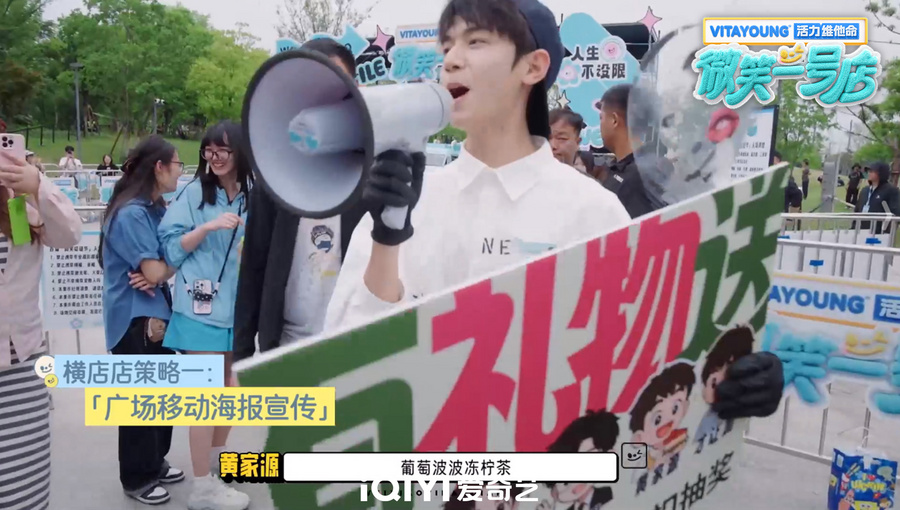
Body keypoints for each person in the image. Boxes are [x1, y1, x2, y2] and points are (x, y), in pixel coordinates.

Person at [325, 0, 784, 425]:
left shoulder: (593, 213)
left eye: (475, 41)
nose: (451, 60)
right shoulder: (408, 201)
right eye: (446, 47)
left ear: (534, 66)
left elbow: (648, 353)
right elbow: (344, 361)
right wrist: (387, 240)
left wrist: (735, 381)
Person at [234, 38, 368, 361]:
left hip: (355, 348)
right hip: (286, 349)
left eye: (336, 88)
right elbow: (253, 268)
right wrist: (240, 357)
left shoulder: (377, 177)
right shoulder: (275, 176)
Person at [157, 120, 252, 510]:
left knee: (231, 393)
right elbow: (169, 246)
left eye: (222, 150)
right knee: (206, 399)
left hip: (237, 312)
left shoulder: (253, 195)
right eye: (208, 150)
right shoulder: (193, 193)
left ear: (240, 152)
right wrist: (207, 227)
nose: (214, 157)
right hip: (199, 311)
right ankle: (201, 488)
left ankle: (213, 467)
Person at [99, 135, 185, 505]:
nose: (180, 171)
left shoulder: (155, 208)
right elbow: (153, 269)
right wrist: (164, 267)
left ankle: (154, 461)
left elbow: (162, 264)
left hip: (155, 312)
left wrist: (163, 268)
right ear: (159, 167)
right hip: (134, 318)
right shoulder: (132, 213)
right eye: (177, 163)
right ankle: (136, 477)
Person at [0, 150, 81, 510]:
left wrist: (37, 186)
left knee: (23, 491)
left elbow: (69, 234)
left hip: (21, 368)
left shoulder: (17, 202)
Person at [596, 83, 663, 218]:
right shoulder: (623, 169)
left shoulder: (639, 177)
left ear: (614, 120)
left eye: (601, 118)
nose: (600, 126)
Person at [854, 161, 900, 233]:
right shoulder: (865, 190)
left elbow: (896, 213)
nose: (869, 173)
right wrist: (853, 227)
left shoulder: (891, 190)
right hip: (861, 231)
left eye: (872, 171)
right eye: (868, 171)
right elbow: (857, 210)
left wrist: (886, 230)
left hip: (880, 233)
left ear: (881, 173)